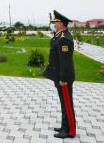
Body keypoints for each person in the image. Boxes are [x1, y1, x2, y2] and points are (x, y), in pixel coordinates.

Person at [43, 10, 76, 139]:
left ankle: (70, 131)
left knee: (67, 103)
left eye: (55, 22)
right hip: (59, 76)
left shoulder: (64, 39)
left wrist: (63, 78)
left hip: (64, 78)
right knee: (64, 103)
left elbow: (65, 61)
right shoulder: (59, 36)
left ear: (61, 24)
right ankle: (64, 126)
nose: (54, 24)